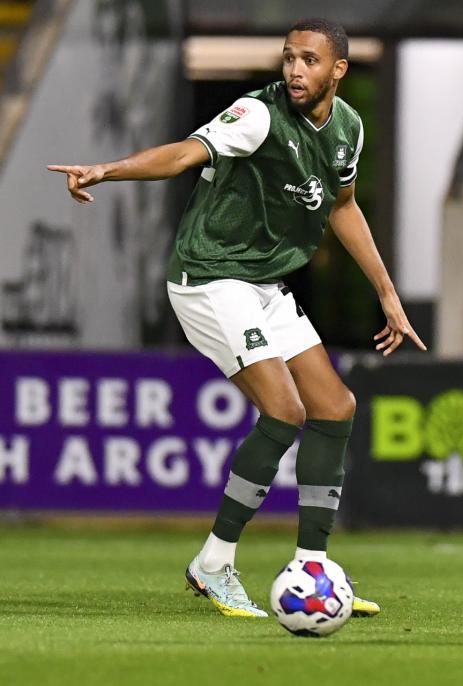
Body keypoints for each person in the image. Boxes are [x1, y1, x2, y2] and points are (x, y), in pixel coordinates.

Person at [49, 18, 426, 619]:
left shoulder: (347, 128)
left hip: (264, 285)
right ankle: (214, 563)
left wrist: (387, 293)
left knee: (335, 408)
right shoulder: (257, 115)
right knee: (284, 411)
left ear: (338, 71)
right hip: (209, 277)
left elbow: (344, 205)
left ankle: (314, 567)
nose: (295, 70)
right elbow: (182, 154)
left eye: (308, 60)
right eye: (288, 58)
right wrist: (105, 170)